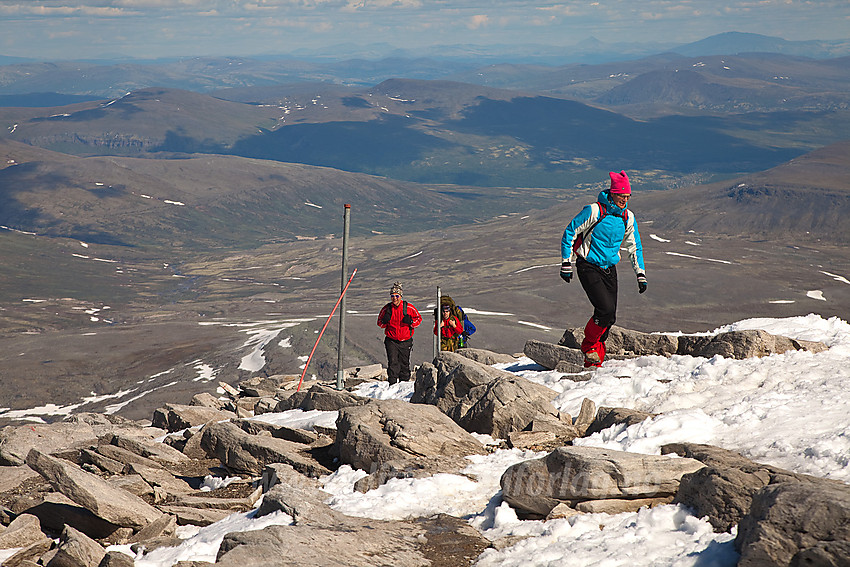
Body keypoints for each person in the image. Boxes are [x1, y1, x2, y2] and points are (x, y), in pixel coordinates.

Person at [560, 170, 647, 367]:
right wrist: (566, 262)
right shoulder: (594, 211)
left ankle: (594, 362)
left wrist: (640, 274)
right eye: (621, 196)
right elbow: (570, 231)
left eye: (627, 196)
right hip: (588, 266)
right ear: (612, 193)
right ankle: (589, 346)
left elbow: (634, 246)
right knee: (605, 310)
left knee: (610, 318)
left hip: (609, 269)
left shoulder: (627, 217)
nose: (624, 200)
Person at [377, 281, 422, 384]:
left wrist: (411, 322)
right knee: (393, 362)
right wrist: (384, 321)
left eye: (397, 296)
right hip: (391, 340)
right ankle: (392, 384)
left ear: (401, 296)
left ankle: (404, 385)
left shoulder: (409, 308)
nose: (395, 298)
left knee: (404, 363)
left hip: (405, 340)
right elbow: (379, 323)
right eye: (392, 296)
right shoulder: (386, 309)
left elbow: (418, 319)